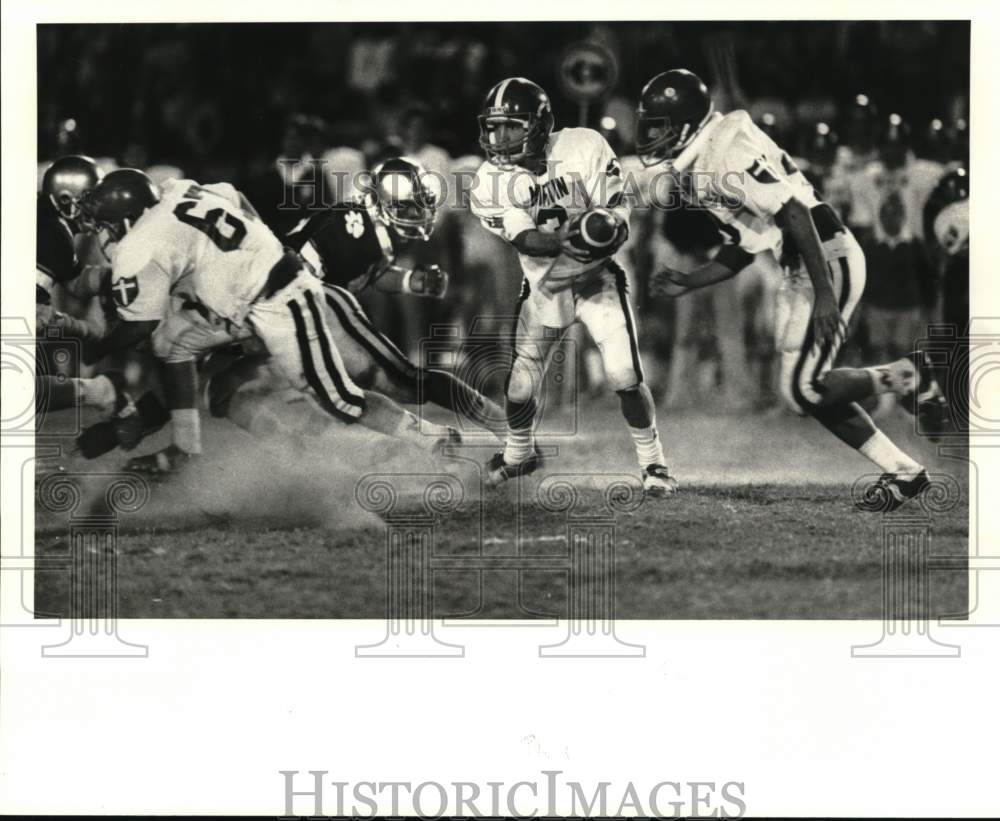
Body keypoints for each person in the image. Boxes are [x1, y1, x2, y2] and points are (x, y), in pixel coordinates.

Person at [637, 69, 946, 509]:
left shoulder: (723, 153)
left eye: (659, 125)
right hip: (804, 262)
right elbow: (749, 245)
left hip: (824, 255)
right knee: (805, 391)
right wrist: (689, 280)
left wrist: (823, 293)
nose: (649, 135)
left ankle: (910, 374)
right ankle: (905, 471)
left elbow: (796, 212)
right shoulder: (707, 159)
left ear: (686, 123)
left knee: (804, 389)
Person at [76, 168, 460, 475]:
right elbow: (234, 196)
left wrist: (96, 347)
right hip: (249, 305)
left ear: (128, 222)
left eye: (108, 225)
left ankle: (430, 438)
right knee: (185, 356)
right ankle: (189, 448)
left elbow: (139, 328)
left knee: (338, 398)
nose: (105, 235)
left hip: (278, 298)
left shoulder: (143, 249)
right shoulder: (176, 192)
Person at [469, 77, 677, 497]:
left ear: (541, 123)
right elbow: (524, 237)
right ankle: (518, 455)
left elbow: (616, 209)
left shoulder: (583, 144)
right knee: (519, 385)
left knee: (623, 375)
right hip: (545, 285)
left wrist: (607, 228)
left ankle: (654, 463)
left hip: (598, 277)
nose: (500, 136)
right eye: (495, 127)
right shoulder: (488, 180)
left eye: (512, 126)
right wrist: (566, 241)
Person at [206, 156, 508, 442]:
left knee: (380, 385)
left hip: (292, 310)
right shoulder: (356, 225)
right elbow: (301, 272)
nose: (417, 216)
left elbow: (370, 271)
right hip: (296, 305)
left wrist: (407, 280)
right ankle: (303, 453)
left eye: (419, 207)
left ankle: (469, 431)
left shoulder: (368, 228)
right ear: (381, 202)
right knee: (391, 383)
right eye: (407, 207)